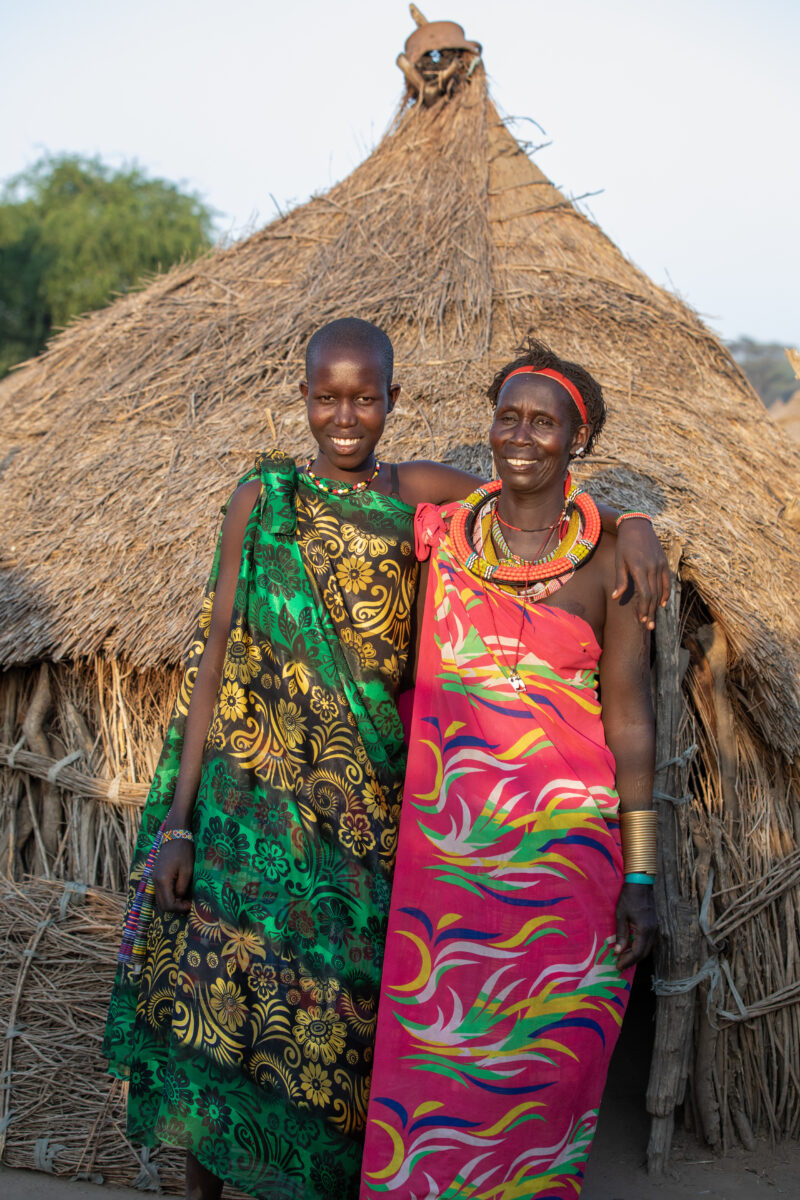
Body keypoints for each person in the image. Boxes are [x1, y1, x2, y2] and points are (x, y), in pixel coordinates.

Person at [103, 320, 666, 1200]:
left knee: (394, 1049)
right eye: (327, 397)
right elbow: (215, 656)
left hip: (446, 839)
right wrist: (178, 821)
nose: (345, 416)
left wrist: (633, 521)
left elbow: (536, 505)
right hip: (316, 829)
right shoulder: (321, 508)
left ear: (393, 402)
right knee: (240, 1027)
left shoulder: (455, 511)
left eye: (366, 398)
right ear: (303, 398)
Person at [361, 338, 658, 1200]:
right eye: (507, 416)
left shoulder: (608, 560)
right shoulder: (447, 523)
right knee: (433, 1070)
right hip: (446, 870)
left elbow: (631, 719)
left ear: (580, 440)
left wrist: (641, 872)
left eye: (544, 422)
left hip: (567, 861)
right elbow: (350, 472)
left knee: (543, 1075)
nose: (520, 436)